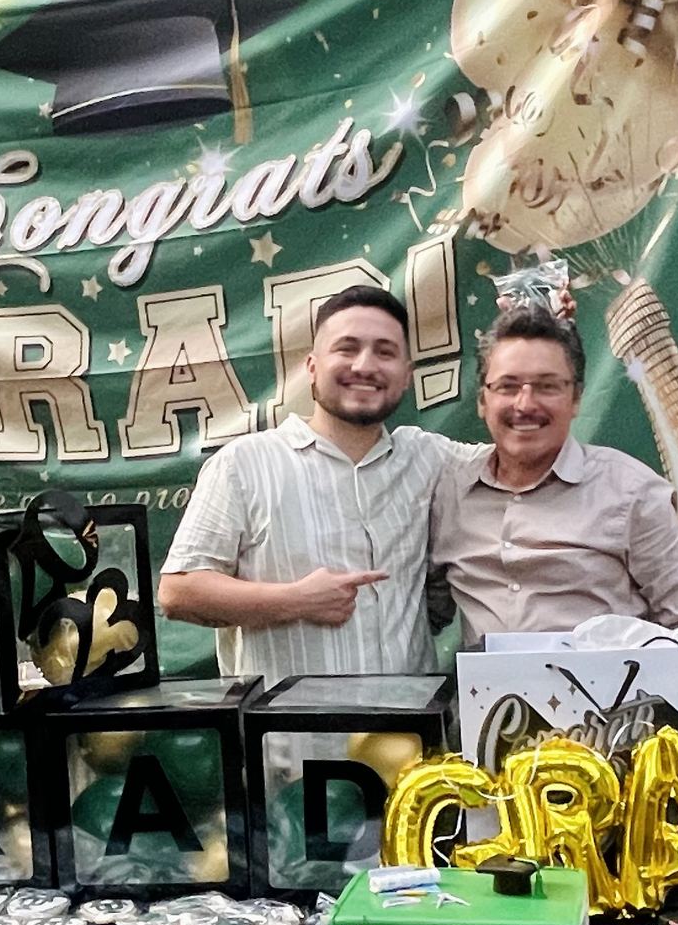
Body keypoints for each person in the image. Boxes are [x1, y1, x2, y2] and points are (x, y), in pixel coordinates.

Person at [158, 285, 473, 683]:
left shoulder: (430, 458)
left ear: (407, 376)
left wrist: (549, 321)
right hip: (290, 740)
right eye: (346, 348)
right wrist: (296, 600)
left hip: (412, 736)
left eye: (385, 352)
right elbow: (178, 593)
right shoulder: (244, 464)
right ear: (311, 367)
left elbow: (521, 446)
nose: (364, 365)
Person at [429, 305, 678, 648]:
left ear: (576, 399)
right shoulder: (450, 493)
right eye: (507, 387)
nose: (525, 404)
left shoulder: (632, 492)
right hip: (487, 701)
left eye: (547, 386)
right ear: (482, 400)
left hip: (606, 700)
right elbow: (422, 612)